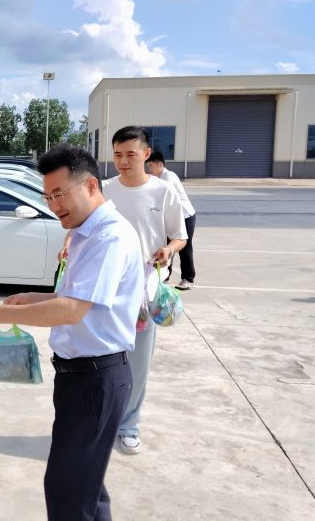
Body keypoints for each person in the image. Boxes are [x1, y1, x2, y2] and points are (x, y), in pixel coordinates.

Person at [0, 145, 143, 521]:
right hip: (82, 377)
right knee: (85, 488)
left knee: (69, 491)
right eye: (48, 197)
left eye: (60, 194)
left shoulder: (109, 237)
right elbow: (77, 297)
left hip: (96, 378)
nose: (54, 205)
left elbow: (73, 310)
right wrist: (32, 298)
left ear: (90, 186)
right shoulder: (86, 232)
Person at [102, 126, 186, 456]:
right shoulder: (105, 189)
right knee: (105, 358)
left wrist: (169, 249)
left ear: (146, 154)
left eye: (130, 155)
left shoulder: (163, 191)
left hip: (146, 288)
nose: (123, 161)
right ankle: (106, 422)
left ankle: (128, 426)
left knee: (137, 362)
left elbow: (179, 235)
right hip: (108, 286)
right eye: (117, 155)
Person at [146, 151, 197, 290]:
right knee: (167, 245)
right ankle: (165, 274)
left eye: (151, 166)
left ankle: (188, 278)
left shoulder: (168, 177)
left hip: (186, 216)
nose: (149, 170)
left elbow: (158, 196)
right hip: (173, 216)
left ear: (160, 164)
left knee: (184, 247)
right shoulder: (161, 177)